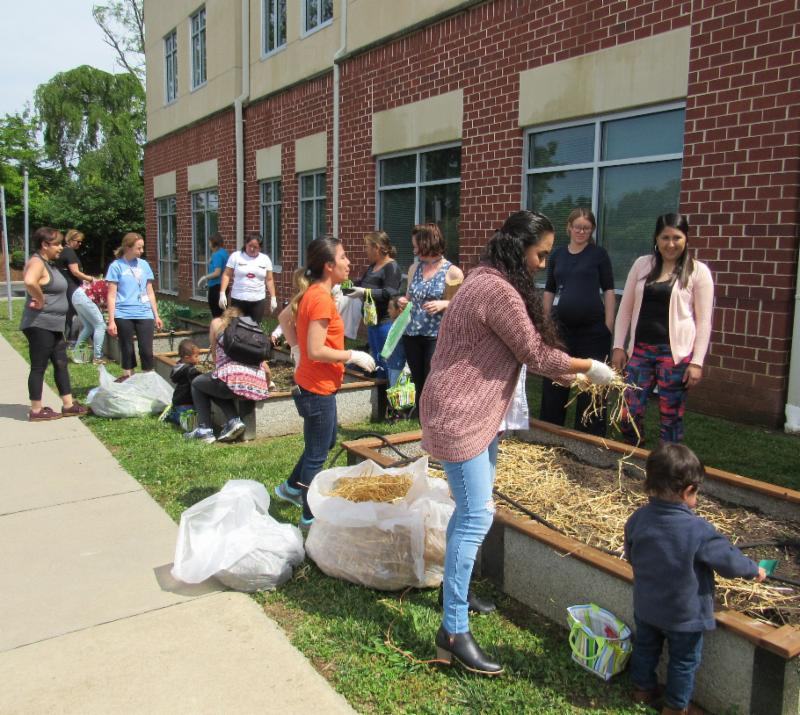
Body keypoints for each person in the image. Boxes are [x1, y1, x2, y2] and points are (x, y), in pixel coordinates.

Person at [420, 211, 615, 675]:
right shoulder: (495, 289)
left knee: (470, 512)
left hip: (473, 411)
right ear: (520, 247)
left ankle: (457, 597)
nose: (544, 264)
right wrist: (591, 367)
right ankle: (452, 630)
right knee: (476, 516)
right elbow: (538, 355)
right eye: (541, 253)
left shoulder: (487, 277)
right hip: (460, 413)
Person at [625, 443, 766, 714]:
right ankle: (676, 707)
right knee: (683, 661)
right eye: (696, 492)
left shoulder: (638, 519)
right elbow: (728, 561)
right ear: (688, 491)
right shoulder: (698, 530)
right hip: (683, 616)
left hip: (646, 607)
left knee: (645, 647)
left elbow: (632, 555)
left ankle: (642, 689)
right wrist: (753, 570)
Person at [273, 236, 376, 528]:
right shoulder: (318, 298)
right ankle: (309, 516)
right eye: (343, 257)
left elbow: (284, 317)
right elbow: (317, 350)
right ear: (329, 265)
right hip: (316, 389)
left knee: (324, 441)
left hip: (316, 385)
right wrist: (352, 355)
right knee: (317, 455)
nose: (349, 262)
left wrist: (295, 348)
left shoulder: (318, 293)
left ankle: (291, 488)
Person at [612, 214, 714, 445]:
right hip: (640, 353)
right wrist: (619, 346)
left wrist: (697, 362)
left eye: (676, 237)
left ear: (686, 239)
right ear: (656, 239)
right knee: (628, 412)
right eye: (665, 237)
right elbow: (625, 309)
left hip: (675, 357)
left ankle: (667, 468)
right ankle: (633, 457)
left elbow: (704, 321)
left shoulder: (698, 271)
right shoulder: (642, 265)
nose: (670, 244)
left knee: (671, 418)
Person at [540, 208, 615, 435]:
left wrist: (608, 326)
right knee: (556, 380)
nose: (582, 231)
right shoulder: (557, 255)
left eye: (587, 228)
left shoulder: (598, 255)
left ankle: (588, 437)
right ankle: (551, 431)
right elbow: (549, 291)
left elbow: (609, 290)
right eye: (578, 227)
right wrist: (544, 324)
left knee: (592, 385)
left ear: (591, 230)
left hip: (593, 332)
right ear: (569, 227)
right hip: (561, 330)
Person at [20, 227, 89, 421]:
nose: (60, 247)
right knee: (39, 366)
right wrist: (40, 299)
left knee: (60, 362)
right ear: (45, 244)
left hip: (54, 324)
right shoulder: (36, 261)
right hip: (40, 324)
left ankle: (68, 405)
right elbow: (29, 281)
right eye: (57, 244)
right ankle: (36, 411)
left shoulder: (48, 263)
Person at [397, 224, 464, 410]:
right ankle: (421, 422)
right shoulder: (414, 269)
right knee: (418, 381)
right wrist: (403, 301)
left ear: (426, 243)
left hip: (435, 335)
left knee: (433, 380)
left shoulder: (452, 272)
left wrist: (444, 304)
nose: (414, 249)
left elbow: (463, 306)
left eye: (415, 245)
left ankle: (436, 415)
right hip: (412, 334)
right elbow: (409, 297)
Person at [184, 307, 271, 444]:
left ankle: (204, 430)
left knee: (198, 383)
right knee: (215, 385)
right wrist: (266, 384)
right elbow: (266, 369)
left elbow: (215, 357)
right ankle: (233, 421)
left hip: (231, 379)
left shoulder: (218, 326)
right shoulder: (249, 337)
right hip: (256, 385)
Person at [106, 232, 163, 382]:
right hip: (123, 313)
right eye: (139, 248)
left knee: (146, 350)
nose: (142, 251)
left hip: (144, 313)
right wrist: (111, 320)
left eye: (142, 247)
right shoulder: (116, 266)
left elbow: (149, 291)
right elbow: (111, 295)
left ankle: (147, 381)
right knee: (127, 349)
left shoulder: (144, 265)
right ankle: (128, 380)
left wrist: (156, 314)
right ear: (128, 247)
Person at [345, 231, 402, 378]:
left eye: (367, 247)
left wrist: (364, 292)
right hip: (372, 321)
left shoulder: (392, 267)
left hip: (385, 322)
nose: (365, 251)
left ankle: (389, 393)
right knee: (377, 359)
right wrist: (347, 285)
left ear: (376, 248)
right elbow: (362, 284)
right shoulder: (373, 266)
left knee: (387, 360)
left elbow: (390, 292)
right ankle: (379, 392)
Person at [218, 232, 277, 323]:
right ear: (246, 244)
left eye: (255, 247)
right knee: (236, 326)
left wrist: (273, 297)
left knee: (255, 328)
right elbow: (226, 275)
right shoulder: (236, 256)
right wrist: (222, 293)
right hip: (238, 299)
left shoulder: (265, 259)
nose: (252, 249)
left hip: (257, 300)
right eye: (250, 246)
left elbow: (269, 280)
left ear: (260, 248)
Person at [55, 229, 95, 341]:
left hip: (65, 286)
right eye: (78, 241)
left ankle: (68, 338)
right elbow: (75, 272)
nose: (80, 244)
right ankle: (72, 339)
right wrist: (91, 279)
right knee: (80, 313)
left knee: (70, 312)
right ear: (70, 240)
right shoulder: (69, 252)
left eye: (81, 242)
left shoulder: (62, 251)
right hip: (72, 286)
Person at [71, 278, 108, 364]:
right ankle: (97, 358)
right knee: (100, 325)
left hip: (77, 295)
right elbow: (109, 305)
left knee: (89, 327)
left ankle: (78, 356)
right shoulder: (115, 286)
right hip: (84, 297)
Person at [167, 339, 202, 425]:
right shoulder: (189, 370)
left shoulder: (179, 366)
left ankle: (174, 413)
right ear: (187, 358)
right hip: (185, 402)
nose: (199, 359)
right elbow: (195, 372)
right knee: (189, 422)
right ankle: (173, 416)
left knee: (193, 418)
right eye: (196, 356)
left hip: (180, 401)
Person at [196, 233, 229, 318]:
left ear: (214, 243)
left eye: (210, 243)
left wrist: (204, 277)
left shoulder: (217, 255)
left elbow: (217, 273)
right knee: (223, 314)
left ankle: (218, 330)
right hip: (223, 286)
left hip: (216, 287)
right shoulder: (223, 252)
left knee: (217, 314)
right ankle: (224, 330)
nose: (209, 245)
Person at [384, 296, 407, 388]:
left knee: (398, 398)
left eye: (391, 308)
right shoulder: (394, 325)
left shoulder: (404, 327)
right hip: (391, 365)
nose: (388, 311)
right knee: (393, 396)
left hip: (399, 367)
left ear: (399, 310)